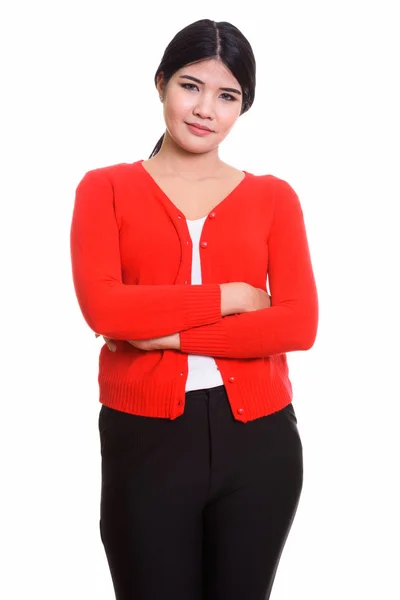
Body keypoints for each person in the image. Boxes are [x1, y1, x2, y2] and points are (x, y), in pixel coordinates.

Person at [70, 18, 319, 600]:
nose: (205, 108)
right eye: (190, 85)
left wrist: (169, 337)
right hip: (147, 440)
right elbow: (107, 311)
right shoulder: (104, 188)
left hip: (260, 441)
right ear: (160, 84)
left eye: (227, 95)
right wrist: (230, 299)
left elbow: (297, 324)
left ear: (242, 108)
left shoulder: (274, 197)